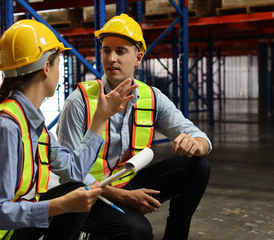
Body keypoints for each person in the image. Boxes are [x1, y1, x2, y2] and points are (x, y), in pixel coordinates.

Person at [0, 19, 137, 240]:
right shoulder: (5, 127)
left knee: (78, 192)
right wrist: (58, 206)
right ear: (47, 68)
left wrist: (100, 118)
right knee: (68, 200)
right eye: (59, 63)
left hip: (4, 231)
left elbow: (74, 170)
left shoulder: (29, 121)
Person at [56, 13, 212, 240]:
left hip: (130, 181)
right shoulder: (79, 101)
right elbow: (69, 175)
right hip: (91, 193)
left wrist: (196, 145)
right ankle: (85, 232)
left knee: (199, 166)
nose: (111, 59)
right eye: (106, 50)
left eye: (120, 51)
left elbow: (201, 138)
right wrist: (121, 196)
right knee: (137, 231)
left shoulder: (152, 97)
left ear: (138, 58)